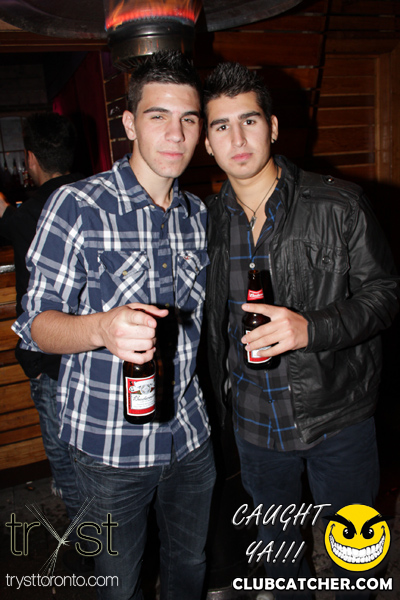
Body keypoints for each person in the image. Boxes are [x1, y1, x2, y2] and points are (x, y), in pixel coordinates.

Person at [13, 51, 216, 600]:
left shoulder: (198, 215)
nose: (175, 134)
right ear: (129, 123)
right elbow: (35, 324)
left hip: (190, 436)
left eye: (189, 119)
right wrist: (101, 329)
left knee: (189, 566)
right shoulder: (77, 205)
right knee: (119, 587)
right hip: (110, 449)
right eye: (158, 116)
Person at [202, 62, 399, 599]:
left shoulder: (339, 203)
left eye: (249, 121)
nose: (237, 139)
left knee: (356, 562)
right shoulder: (205, 223)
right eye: (221, 126)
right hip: (253, 425)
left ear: (272, 127)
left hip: (338, 416)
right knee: (280, 559)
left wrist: (311, 328)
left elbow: (385, 294)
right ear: (208, 143)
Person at [0, 113, 82, 523]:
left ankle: (91, 541)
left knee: (64, 459)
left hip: (50, 360)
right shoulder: (94, 197)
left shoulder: (27, 214)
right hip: (93, 353)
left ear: (31, 159)